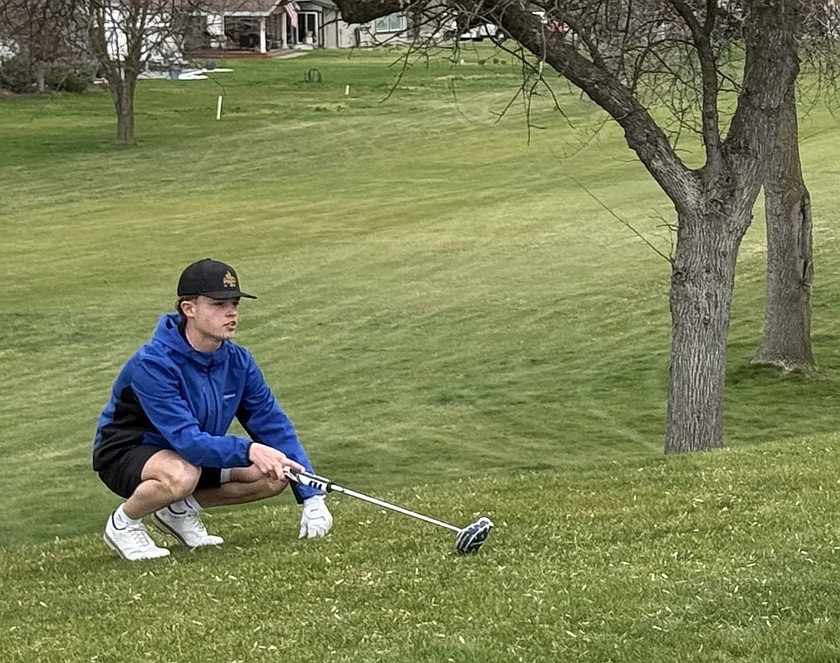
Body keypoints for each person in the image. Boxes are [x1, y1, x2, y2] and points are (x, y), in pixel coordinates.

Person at [93, 258, 333, 561]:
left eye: (234, 303)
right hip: (127, 452)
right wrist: (249, 450)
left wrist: (311, 494)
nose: (231, 312)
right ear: (188, 309)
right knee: (182, 474)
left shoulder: (238, 361)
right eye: (219, 304)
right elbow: (187, 440)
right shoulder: (153, 364)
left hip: (192, 453)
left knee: (276, 474)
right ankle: (124, 524)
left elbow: (272, 423)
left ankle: (178, 511)